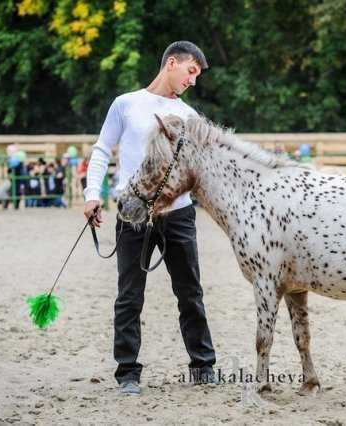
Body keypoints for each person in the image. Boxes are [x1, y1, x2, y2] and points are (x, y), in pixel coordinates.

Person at [83, 41, 216, 395]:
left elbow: (202, 169)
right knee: (129, 295)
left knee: (190, 292)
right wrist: (91, 194)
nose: (193, 81)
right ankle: (128, 371)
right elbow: (101, 150)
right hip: (134, 211)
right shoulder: (126, 104)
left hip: (179, 214)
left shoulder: (190, 117)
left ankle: (203, 365)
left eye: (197, 76)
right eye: (191, 72)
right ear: (172, 63)